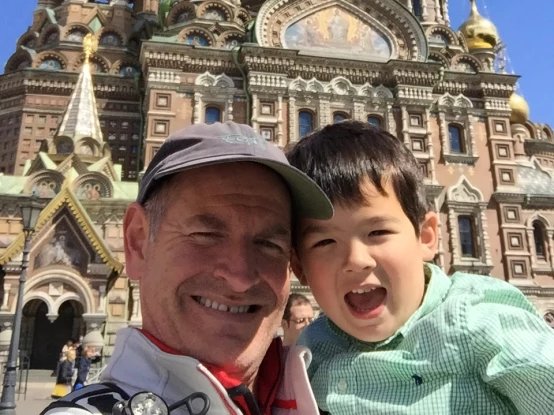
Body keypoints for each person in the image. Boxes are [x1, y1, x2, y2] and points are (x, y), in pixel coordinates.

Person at [42, 121, 332, 415]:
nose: (241, 277)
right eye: (205, 236)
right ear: (138, 243)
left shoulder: (330, 394)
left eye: (269, 244)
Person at [287, 120, 554, 415]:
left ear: (426, 237)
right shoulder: (312, 347)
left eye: (378, 233)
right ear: (299, 267)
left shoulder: (478, 321)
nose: (356, 259)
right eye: (324, 241)